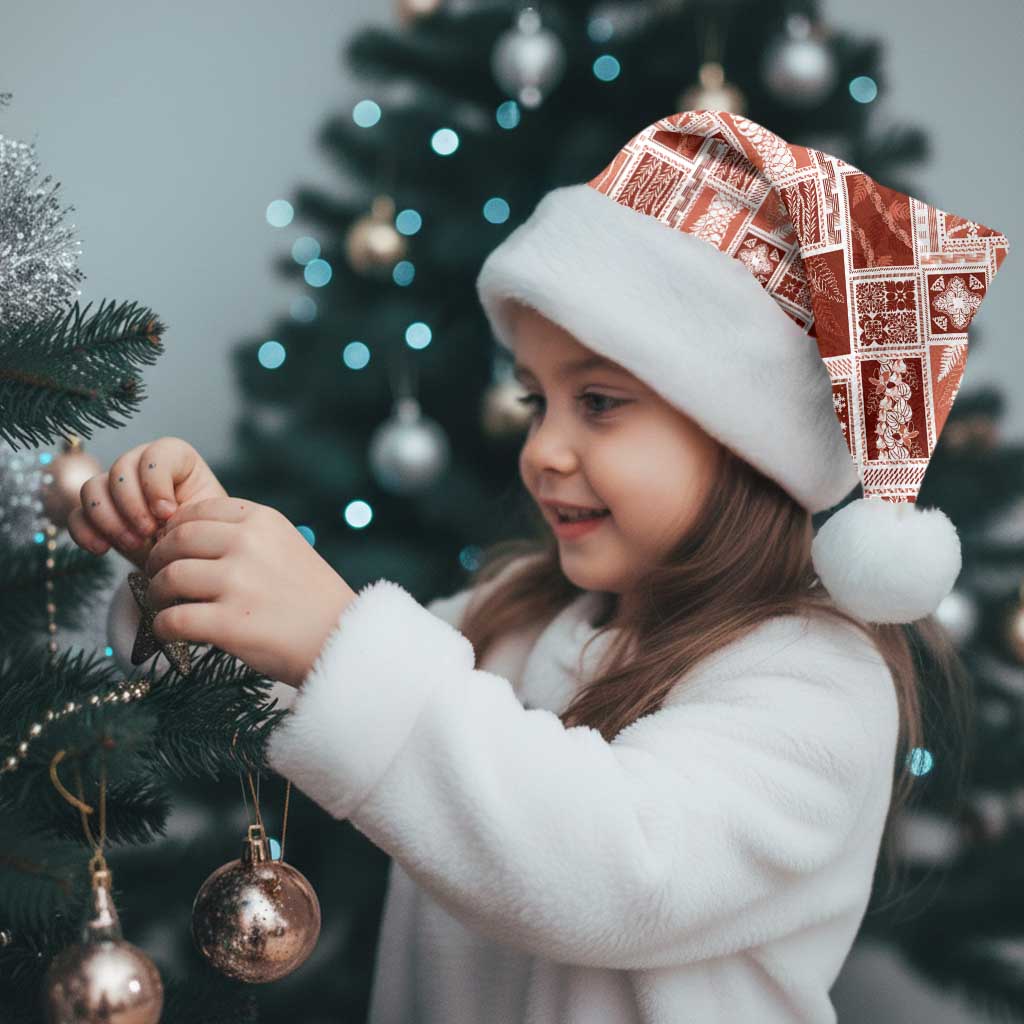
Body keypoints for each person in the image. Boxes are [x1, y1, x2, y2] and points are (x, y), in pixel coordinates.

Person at [71, 110, 1010, 1023]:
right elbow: (307, 693)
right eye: (535, 402)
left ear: (747, 442)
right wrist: (190, 565)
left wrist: (335, 637)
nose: (543, 450)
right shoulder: (515, 617)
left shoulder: (818, 684)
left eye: (598, 402)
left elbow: (615, 870)